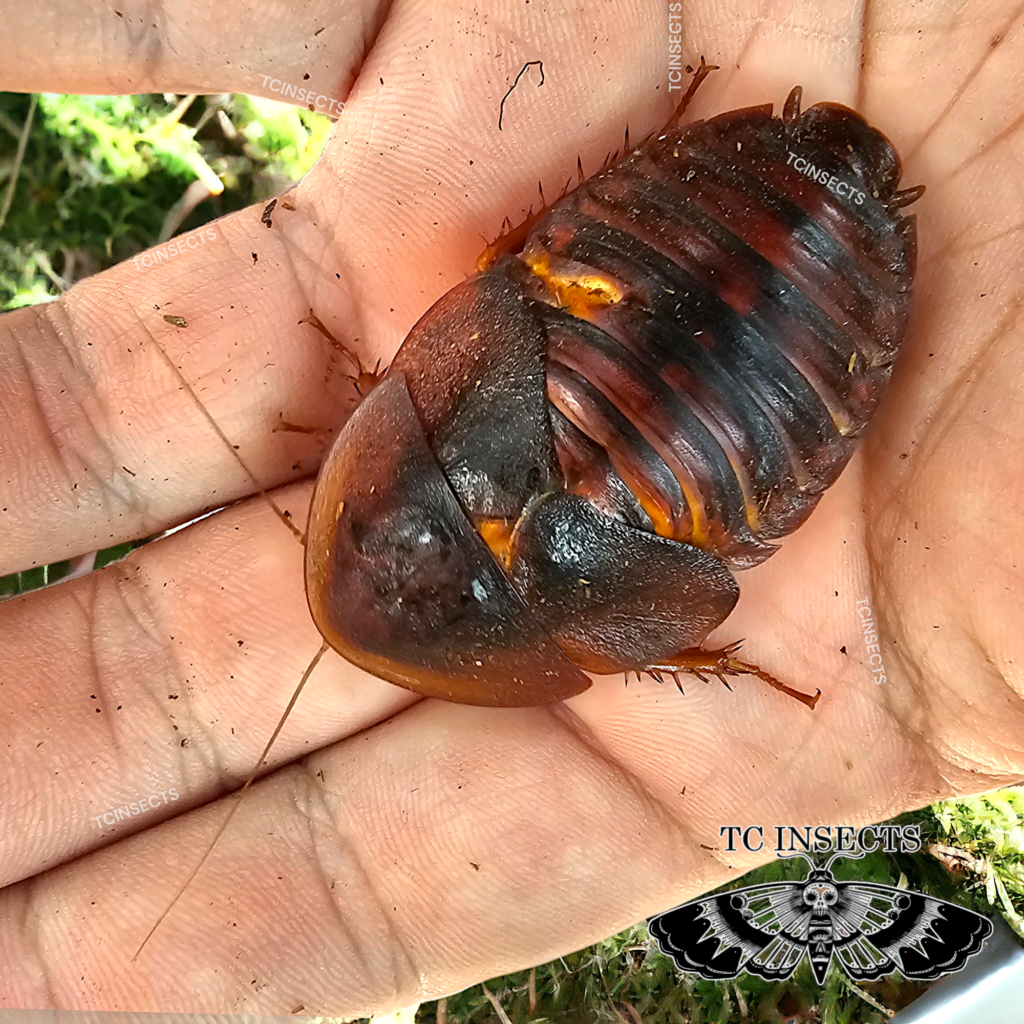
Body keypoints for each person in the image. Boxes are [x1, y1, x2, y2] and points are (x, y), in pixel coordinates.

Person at [1, 0, 1022, 1015]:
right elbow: (491, 291)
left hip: (785, 368)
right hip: (728, 260)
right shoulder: (397, 441)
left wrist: (722, 665)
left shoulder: (578, 627)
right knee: (508, 270)